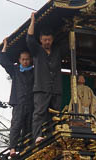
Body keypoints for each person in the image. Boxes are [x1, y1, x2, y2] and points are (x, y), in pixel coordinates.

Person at [27, 13, 66, 143]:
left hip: (56, 88)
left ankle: (53, 134)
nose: (47, 42)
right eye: (45, 40)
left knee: (55, 113)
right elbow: (29, 39)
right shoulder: (37, 51)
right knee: (39, 113)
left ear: (52, 39)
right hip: (41, 88)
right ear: (40, 40)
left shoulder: (57, 50)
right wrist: (33, 21)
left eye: (49, 40)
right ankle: (37, 136)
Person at [0, 38, 35, 156]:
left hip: (30, 102)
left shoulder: (34, 72)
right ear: (19, 60)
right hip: (18, 103)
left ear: (30, 60)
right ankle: (12, 148)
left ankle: (26, 147)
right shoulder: (15, 70)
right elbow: (4, 62)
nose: (25, 62)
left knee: (28, 126)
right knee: (16, 124)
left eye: (27, 59)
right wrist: (5, 46)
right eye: (23, 59)